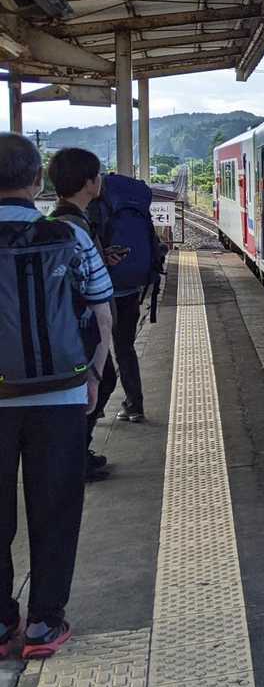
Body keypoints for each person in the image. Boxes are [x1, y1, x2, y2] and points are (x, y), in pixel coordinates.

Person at [1, 132, 114, 660]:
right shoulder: (69, 236)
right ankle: (44, 623)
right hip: (60, 395)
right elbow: (101, 311)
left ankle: (2, 623)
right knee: (55, 508)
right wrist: (95, 374)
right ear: (36, 180)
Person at [47, 148, 116, 480]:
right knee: (99, 384)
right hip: (79, 331)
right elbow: (99, 305)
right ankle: (77, 456)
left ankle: (77, 453)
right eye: (97, 174)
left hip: (64, 329)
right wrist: (97, 369)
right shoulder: (73, 225)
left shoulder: (61, 220)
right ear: (89, 182)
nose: (100, 180)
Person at [90, 171, 164, 424]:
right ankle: (134, 404)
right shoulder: (133, 204)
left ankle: (97, 405)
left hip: (100, 293)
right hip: (130, 289)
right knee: (125, 348)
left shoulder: (92, 207)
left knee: (97, 349)